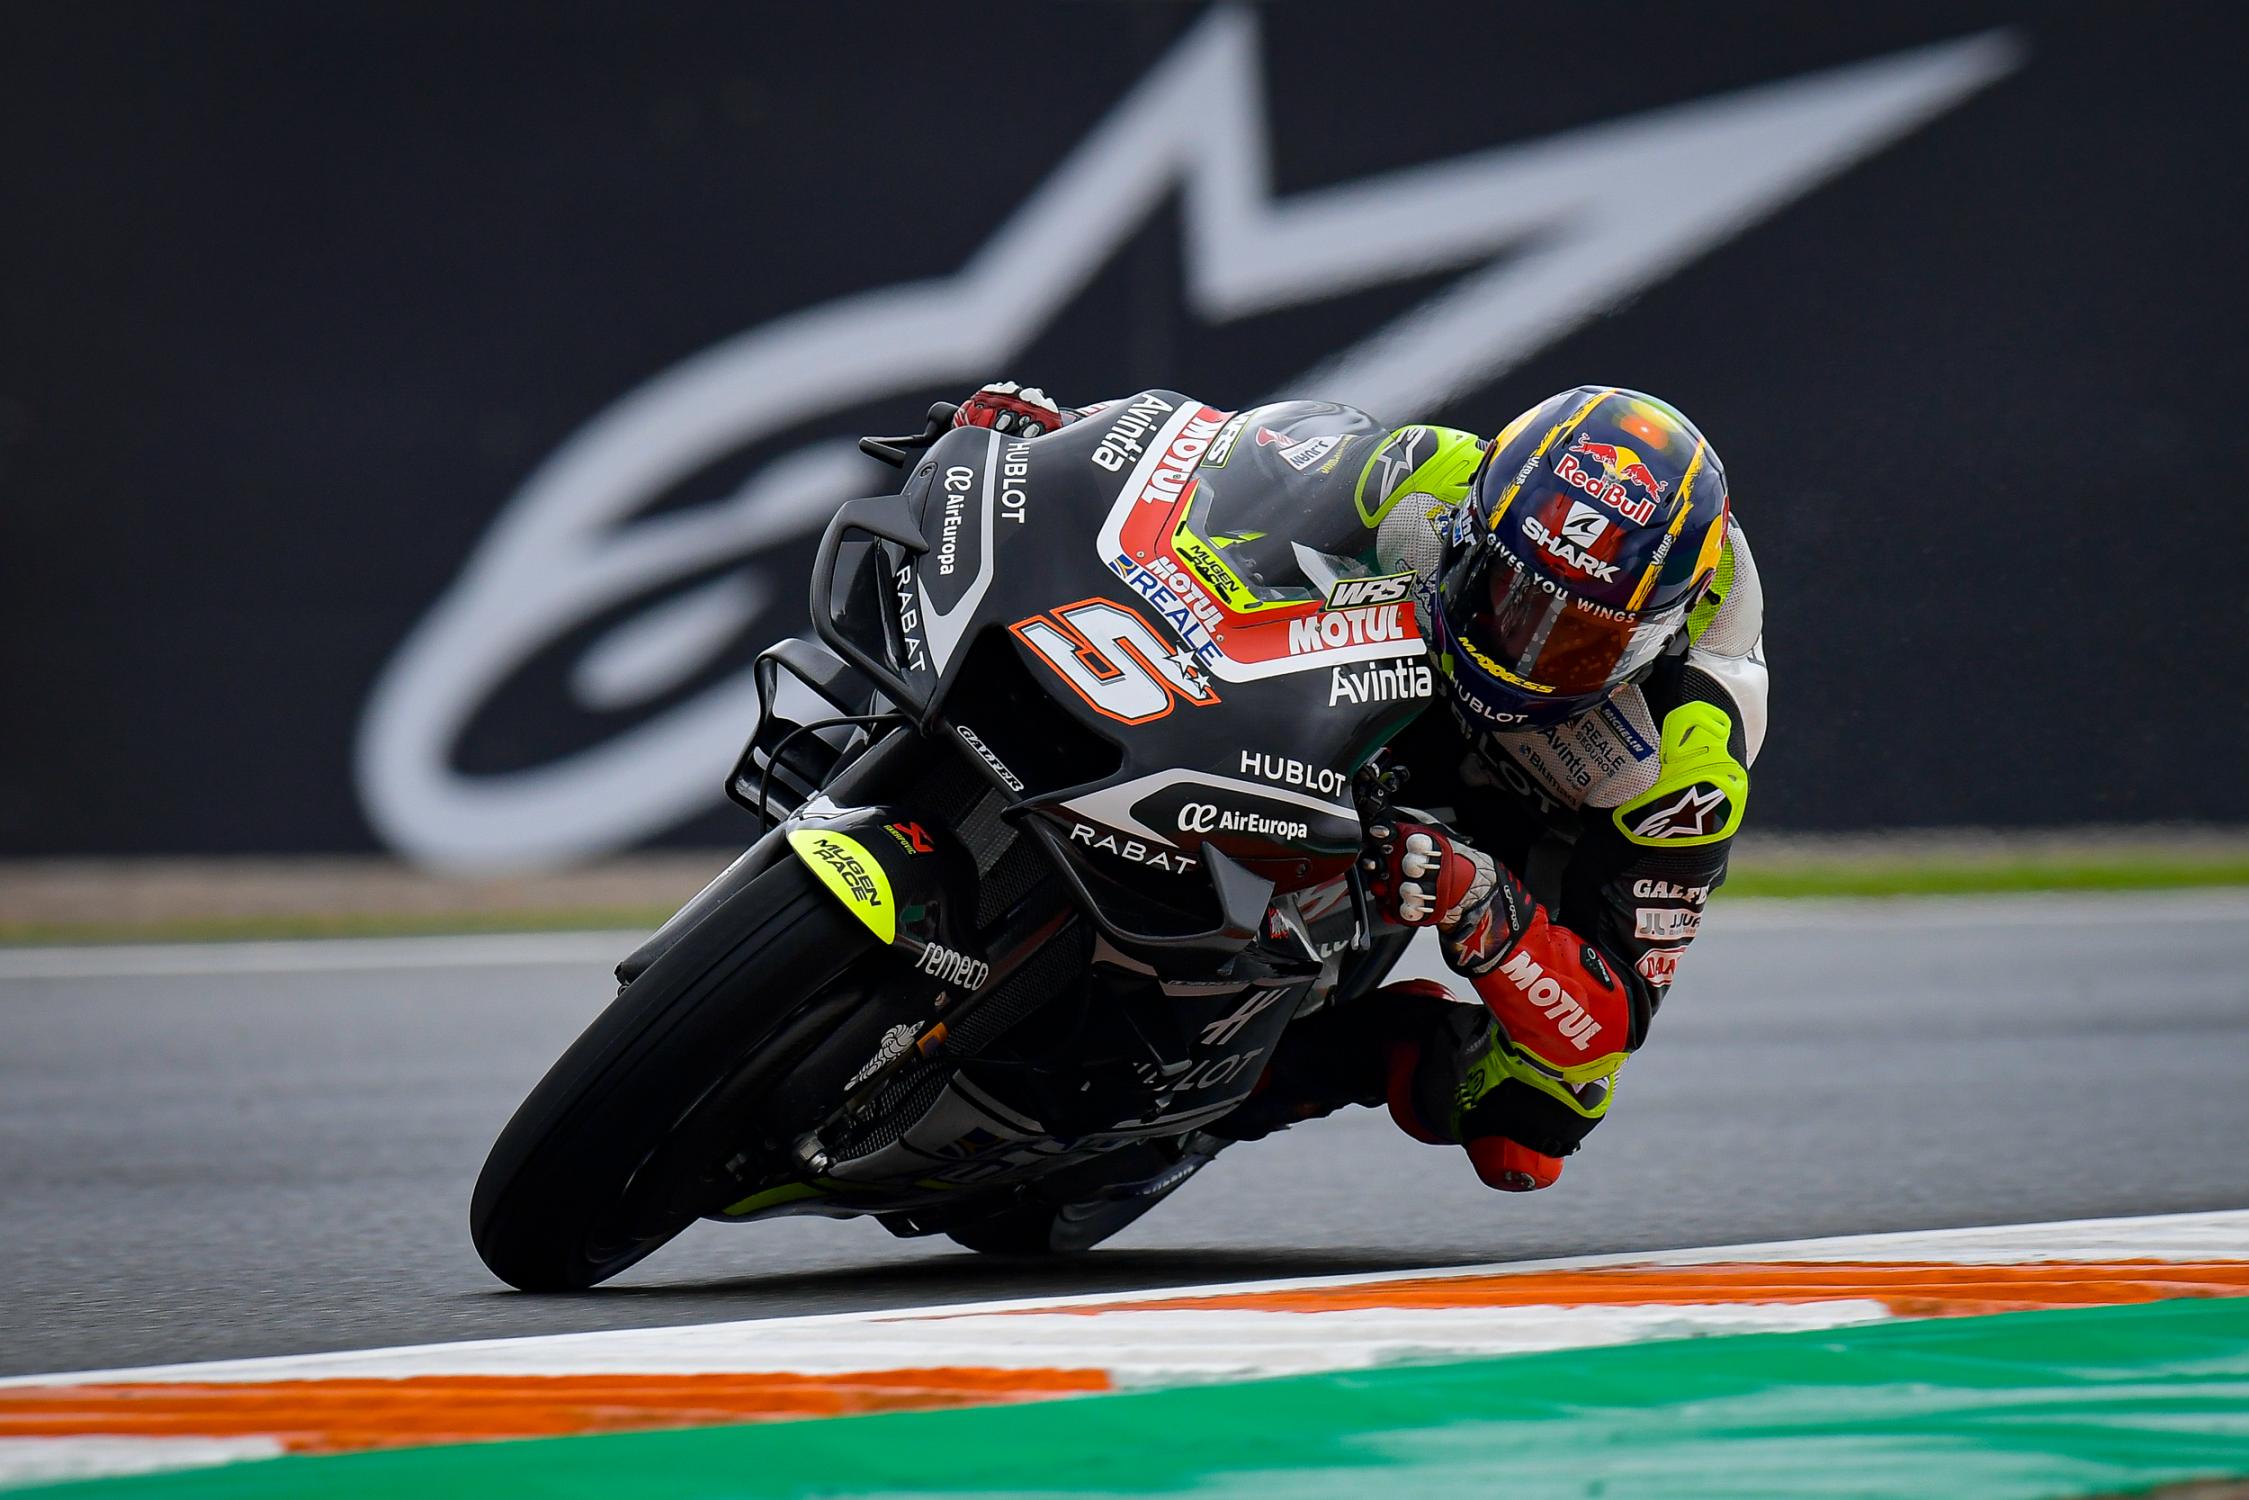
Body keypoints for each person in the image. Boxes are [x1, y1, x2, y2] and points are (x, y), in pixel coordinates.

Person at [951, 380, 1767, 1192]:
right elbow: (1201, 461)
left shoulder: (1686, 757)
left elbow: (1606, 1021)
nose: (1523, 647)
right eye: (1506, 593)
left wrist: (1482, 904)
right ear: (1472, 528)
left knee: (1541, 1113)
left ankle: (1269, 1081)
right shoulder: (1431, 480)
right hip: (1390, 688)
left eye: (1577, 641)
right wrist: (1056, 440)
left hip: (1533, 821)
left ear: (1653, 638)